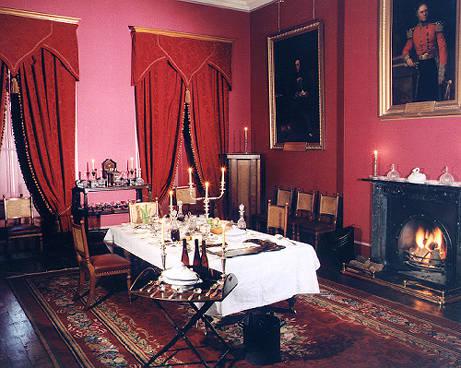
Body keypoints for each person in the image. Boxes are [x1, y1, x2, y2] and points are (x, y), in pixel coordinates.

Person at [402, 3, 447, 102]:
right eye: (421, 12)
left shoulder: (435, 27)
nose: (424, 13)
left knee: (433, 97)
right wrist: (408, 59)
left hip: (432, 65)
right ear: (417, 14)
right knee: (421, 97)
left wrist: (442, 71)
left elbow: (442, 49)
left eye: (426, 11)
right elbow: (405, 50)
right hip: (420, 67)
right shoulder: (413, 31)